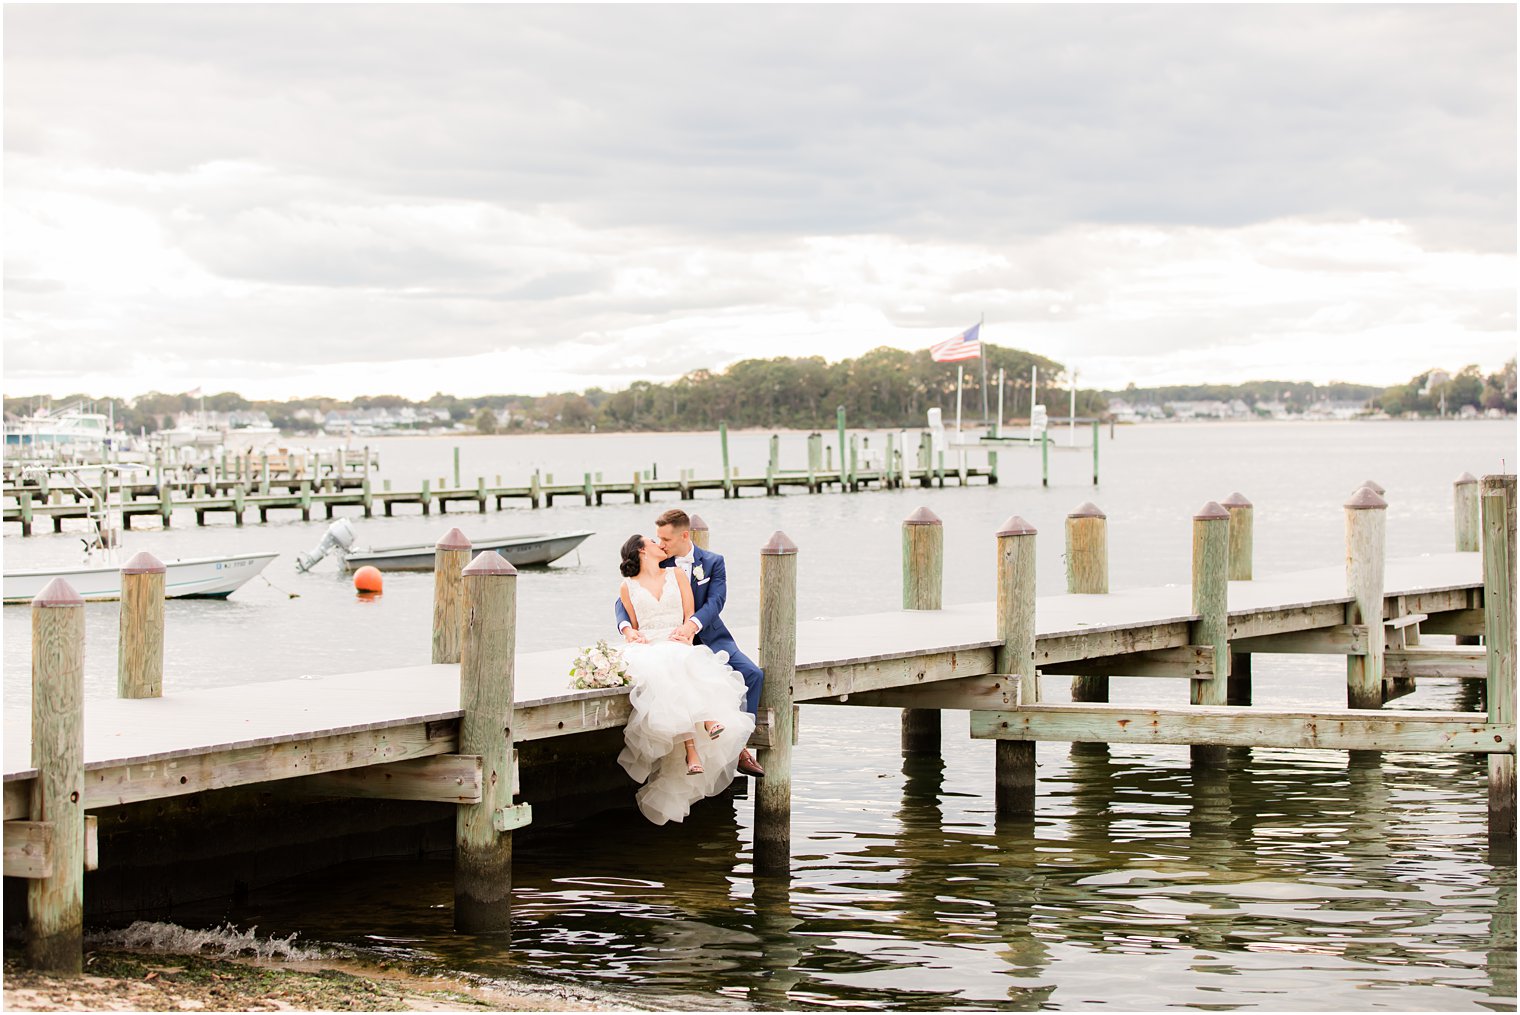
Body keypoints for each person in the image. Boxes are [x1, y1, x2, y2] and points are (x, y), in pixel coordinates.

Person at [614, 532, 756, 825]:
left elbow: (689, 614)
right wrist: (630, 632)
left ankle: (694, 752)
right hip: (648, 647)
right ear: (641, 550)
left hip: (677, 640)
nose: (660, 544)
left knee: (678, 662)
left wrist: (684, 633)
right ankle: (704, 727)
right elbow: (631, 622)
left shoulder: (677, 574)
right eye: (653, 541)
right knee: (664, 666)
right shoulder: (626, 587)